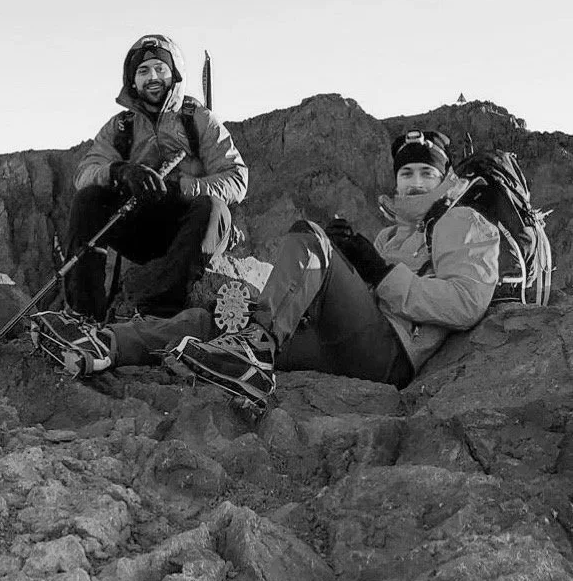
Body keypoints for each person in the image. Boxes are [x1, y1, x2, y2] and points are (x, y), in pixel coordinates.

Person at [32, 129, 499, 409]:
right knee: (216, 318)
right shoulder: (393, 234)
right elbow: (374, 293)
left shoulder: (462, 221)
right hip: (344, 347)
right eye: (406, 174)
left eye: (425, 174)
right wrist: (355, 269)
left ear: (445, 179)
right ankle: (106, 345)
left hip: (389, 354)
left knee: (308, 235)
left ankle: (254, 350)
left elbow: (466, 302)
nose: (414, 182)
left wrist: (376, 272)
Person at [64, 33, 248, 320]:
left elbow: (236, 178)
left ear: (173, 75)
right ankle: (83, 314)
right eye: (143, 71)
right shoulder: (121, 127)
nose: (153, 77)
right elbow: (84, 174)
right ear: (132, 81)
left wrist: (181, 189)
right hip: (143, 227)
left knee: (211, 207)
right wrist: (120, 172)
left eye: (160, 69)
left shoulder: (198, 119)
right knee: (88, 200)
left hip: (194, 227)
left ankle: (160, 311)